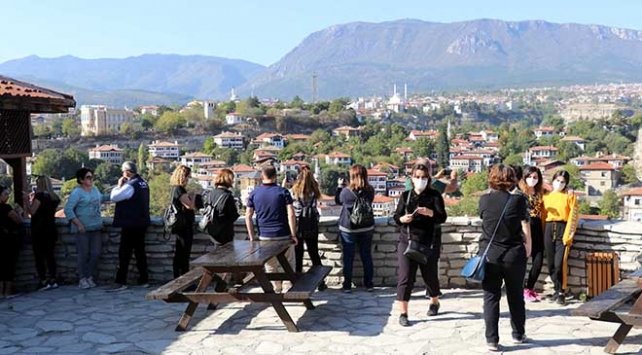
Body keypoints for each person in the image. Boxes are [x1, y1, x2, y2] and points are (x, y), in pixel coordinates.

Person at [479, 164, 532, 351]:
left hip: (490, 254)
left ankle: (491, 340)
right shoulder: (518, 200)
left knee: (491, 297)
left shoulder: (484, 199)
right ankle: (518, 334)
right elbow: (524, 221)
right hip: (513, 254)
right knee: (515, 296)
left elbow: (484, 219)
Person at [394, 163, 447, 326]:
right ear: (412, 178)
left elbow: (442, 217)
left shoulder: (435, 196)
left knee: (429, 275)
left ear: (428, 178)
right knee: (405, 277)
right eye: (417, 177)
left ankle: (434, 301)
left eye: (424, 177)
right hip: (407, 241)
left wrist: (431, 213)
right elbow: (397, 216)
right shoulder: (406, 196)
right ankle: (403, 313)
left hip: (428, 242)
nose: (421, 180)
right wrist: (403, 219)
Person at [245, 165, 298, 293]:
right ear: (275, 176)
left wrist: (252, 237)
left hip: (264, 235)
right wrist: (293, 234)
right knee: (289, 263)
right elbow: (291, 213)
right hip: (283, 234)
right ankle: (288, 287)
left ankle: (276, 287)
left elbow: (248, 215)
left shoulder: (254, 193)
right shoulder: (283, 192)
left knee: (270, 265)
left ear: (262, 176)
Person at [64, 168, 110, 289]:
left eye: (92, 177)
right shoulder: (77, 193)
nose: (91, 179)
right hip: (82, 229)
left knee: (96, 253)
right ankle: (82, 278)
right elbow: (68, 209)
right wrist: (78, 224)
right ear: (81, 180)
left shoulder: (95, 190)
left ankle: (89, 276)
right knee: (83, 254)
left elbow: (103, 198)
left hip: (96, 227)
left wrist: (118, 192)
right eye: (88, 177)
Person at [108, 161, 150, 291]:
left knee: (124, 253)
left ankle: (121, 281)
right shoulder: (143, 183)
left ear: (127, 172)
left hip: (130, 223)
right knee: (140, 252)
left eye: (123, 171)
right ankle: (144, 279)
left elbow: (114, 197)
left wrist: (118, 185)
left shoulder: (130, 185)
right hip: (142, 222)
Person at [335, 164, 375, 293]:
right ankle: (369, 284)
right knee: (366, 256)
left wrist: (340, 186)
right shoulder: (370, 190)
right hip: (367, 227)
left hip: (349, 229)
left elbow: (338, 200)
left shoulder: (346, 192)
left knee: (348, 257)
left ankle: (347, 285)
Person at [542, 169, 579, 305]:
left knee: (559, 263)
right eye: (557, 180)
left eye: (562, 182)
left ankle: (562, 291)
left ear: (566, 183)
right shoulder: (546, 196)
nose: (559, 183)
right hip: (549, 228)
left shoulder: (570, 197)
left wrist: (569, 234)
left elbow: (573, 216)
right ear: (553, 181)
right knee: (551, 263)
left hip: (562, 228)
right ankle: (556, 290)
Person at [290, 165, 327, 291]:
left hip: (299, 224)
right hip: (312, 224)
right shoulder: (314, 190)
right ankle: (321, 282)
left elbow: (292, 205)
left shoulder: (295, 190)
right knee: (314, 254)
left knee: (298, 255)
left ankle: (298, 282)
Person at [25, 176, 61, 291]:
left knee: (39, 256)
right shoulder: (54, 198)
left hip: (39, 230)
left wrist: (26, 201)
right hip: (51, 228)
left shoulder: (40, 197)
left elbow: (32, 211)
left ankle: (43, 280)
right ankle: (53, 278)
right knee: (50, 255)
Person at [519, 166, 546, 302]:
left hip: (537, 227)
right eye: (529, 177)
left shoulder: (540, 193)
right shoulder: (520, 194)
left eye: (535, 177)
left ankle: (529, 287)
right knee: (522, 260)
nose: (532, 180)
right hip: (524, 227)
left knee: (538, 259)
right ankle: (519, 289)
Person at [170, 165, 197, 278]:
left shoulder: (176, 189)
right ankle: (182, 279)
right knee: (183, 254)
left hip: (181, 226)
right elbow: (189, 206)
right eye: (188, 177)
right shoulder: (179, 189)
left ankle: (179, 277)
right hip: (183, 226)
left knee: (180, 253)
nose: (189, 179)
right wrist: (193, 195)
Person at [204, 168, 239, 246]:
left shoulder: (210, 194)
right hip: (225, 231)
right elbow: (233, 215)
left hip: (212, 230)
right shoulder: (227, 196)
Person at [0, 185, 24, 298]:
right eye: (5, 194)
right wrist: (19, 212)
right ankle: (7, 292)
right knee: (9, 265)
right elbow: (18, 221)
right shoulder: (5, 208)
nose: (7, 196)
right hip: (7, 240)